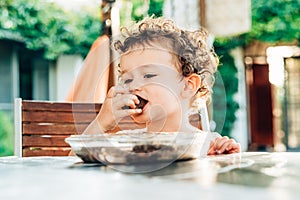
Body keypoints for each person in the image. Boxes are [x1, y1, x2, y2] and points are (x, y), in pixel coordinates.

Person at [83, 17, 240, 155]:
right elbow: (73, 161)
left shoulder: (207, 144)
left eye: (148, 75)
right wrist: (102, 122)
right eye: (128, 79)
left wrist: (224, 155)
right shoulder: (126, 142)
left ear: (187, 86)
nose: (133, 86)